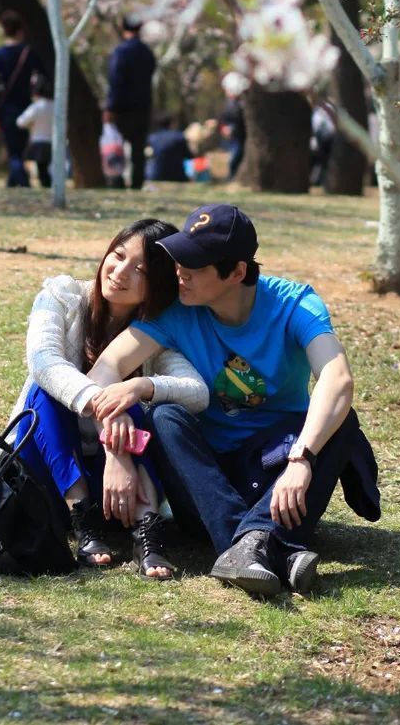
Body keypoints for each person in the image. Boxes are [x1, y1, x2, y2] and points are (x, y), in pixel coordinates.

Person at [88, 203, 380, 598]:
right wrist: (116, 421)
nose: (179, 273)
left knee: (341, 420)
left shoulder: (293, 303)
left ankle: (250, 546)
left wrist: (301, 459)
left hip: (276, 473)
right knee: (166, 416)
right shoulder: (177, 312)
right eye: (180, 259)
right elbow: (105, 369)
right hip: (205, 487)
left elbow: (337, 377)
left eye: (194, 265)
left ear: (237, 272)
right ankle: (274, 547)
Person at [10, 218, 209, 578]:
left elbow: (197, 393)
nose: (119, 272)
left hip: (121, 488)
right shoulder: (61, 295)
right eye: (117, 256)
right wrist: (109, 417)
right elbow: (44, 362)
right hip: (46, 474)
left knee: (133, 395)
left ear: (158, 286)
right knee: (49, 390)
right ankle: (83, 519)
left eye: (140, 271)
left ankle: (146, 533)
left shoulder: (153, 334)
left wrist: (141, 388)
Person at [0, 11, 44, 187]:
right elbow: (42, 75)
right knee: (19, 149)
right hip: (25, 106)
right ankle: (16, 183)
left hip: (5, 108)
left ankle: (22, 184)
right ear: (20, 31)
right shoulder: (28, 53)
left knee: (13, 151)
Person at [105, 15, 156, 190]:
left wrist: (111, 106)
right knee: (138, 148)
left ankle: (117, 180)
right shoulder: (146, 52)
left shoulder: (121, 52)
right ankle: (137, 182)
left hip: (123, 108)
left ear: (122, 27)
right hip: (143, 106)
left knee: (117, 145)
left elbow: (116, 81)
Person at [16, 72, 54, 188]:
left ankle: (46, 186)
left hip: (39, 140)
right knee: (48, 168)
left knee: (42, 169)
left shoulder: (37, 107)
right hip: (52, 141)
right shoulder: (56, 105)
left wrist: (31, 125)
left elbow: (20, 122)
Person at [145, 114, 189, 183]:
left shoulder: (152, 138)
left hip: (155, 175)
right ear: (171, 123)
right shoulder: (179, 137)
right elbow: (188, 155)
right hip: (177, 176)